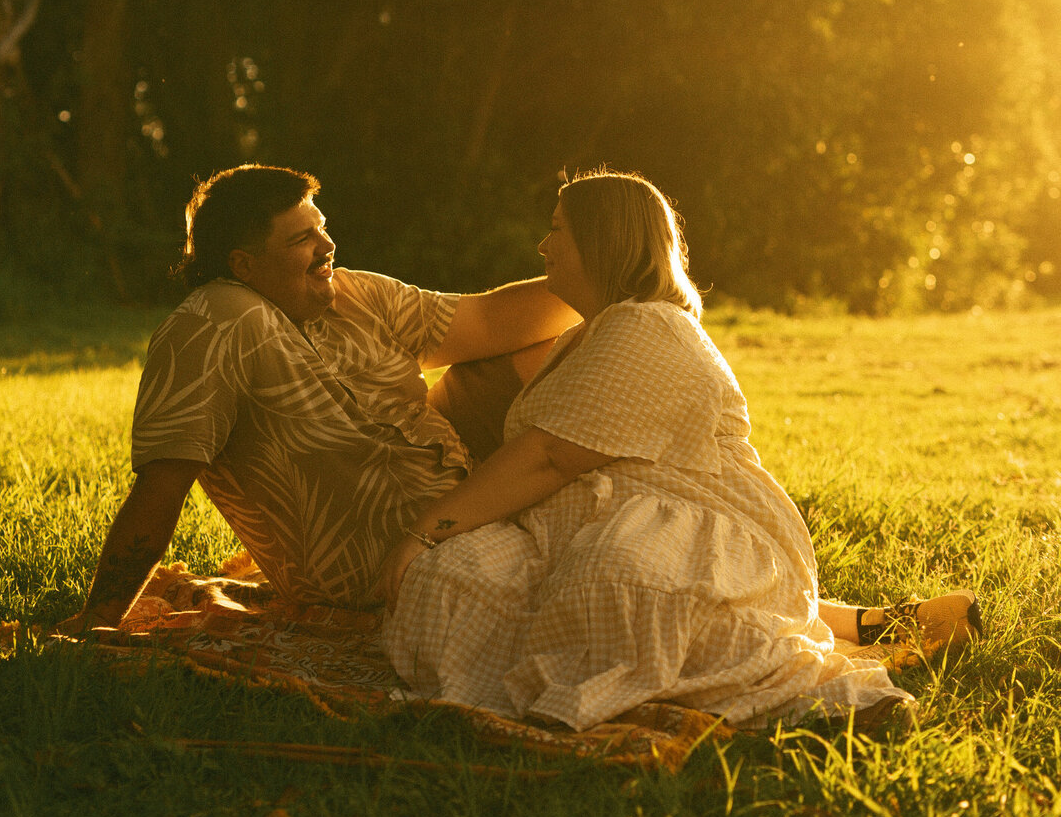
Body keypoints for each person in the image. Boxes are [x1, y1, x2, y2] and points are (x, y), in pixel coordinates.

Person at [378, 169, 980, 731]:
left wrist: (428, 528)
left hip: (687, 520)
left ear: (602, 239)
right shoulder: (600, 329)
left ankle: (806, 692)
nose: (543, 245)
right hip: (582, 522)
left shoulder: (648, 325)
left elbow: (551, 455)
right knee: (457, 578)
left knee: (625, 576)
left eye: (557, 229)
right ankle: (859, 629)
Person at [64, 164, 572, 626]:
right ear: (244, 264)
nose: (327, 245)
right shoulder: (213, 325)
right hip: (389, 559)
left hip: (466, 489)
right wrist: (100, 617)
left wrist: (620, 284)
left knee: (575, 343)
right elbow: (162, 485)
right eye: (303, 239)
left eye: (322, 227)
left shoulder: (352, 295)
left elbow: (486, 320)